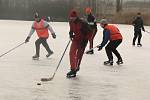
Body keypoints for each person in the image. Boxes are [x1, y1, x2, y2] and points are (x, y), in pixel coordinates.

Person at [67, 10, 92, 78]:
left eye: (73, 17)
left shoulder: (82, 23)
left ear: (76, 17)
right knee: (71, 53)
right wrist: (71, 34)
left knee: (79, 55)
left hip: (83, 40)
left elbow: (90, 32)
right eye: (71, 17)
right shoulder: (71, 22)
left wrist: (85, 40)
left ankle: (76, 68)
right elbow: (71, 29)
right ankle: (73, 69)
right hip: (76, 39)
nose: (71, 18)